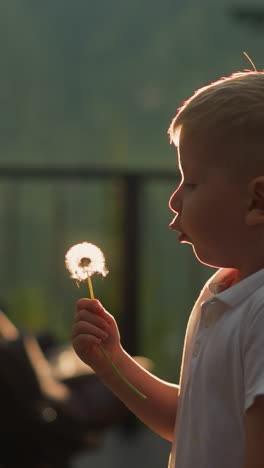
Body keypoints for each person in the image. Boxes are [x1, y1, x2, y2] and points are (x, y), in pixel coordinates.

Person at [72, 70, 264, 468]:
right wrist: (112, 361)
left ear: (257, 201)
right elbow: (190, 421)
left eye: (191, 183)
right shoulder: (224, 291)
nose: (174, 200)